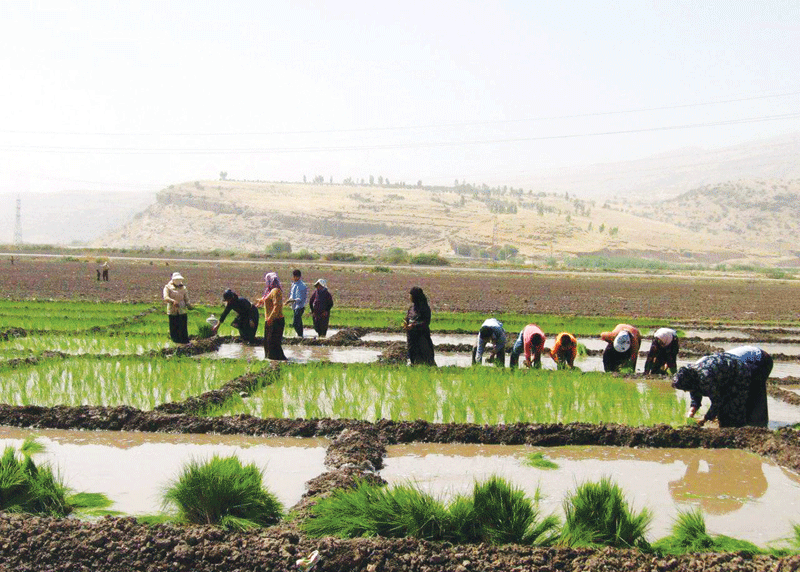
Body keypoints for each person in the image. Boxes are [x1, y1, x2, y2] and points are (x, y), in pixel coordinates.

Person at [672, 351, 765, 428]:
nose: (685, 391)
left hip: (739, 374)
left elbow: (717, 401)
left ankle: (745, 426)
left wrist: (705, 419)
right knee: (723, 414)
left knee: (734, 409)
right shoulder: (691, 374)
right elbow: (694, 392)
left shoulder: (705, 377)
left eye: (684, 389)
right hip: (723, 376)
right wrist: (691, 411)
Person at [727, 345, 771, 427]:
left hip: (761, 361)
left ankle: (759, 424)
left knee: (755, 393)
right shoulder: (719, 366)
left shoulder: (724, 366)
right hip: (750, 361)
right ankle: (747, 420)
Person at [255, 272, 287, 360]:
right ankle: (271, 361)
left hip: (275, 320)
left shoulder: (276, 291)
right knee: (268, 343)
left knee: (273, 344)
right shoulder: (271, 291)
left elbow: (277, 306)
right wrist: (261, 301)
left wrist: (270, 318)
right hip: (270, 320)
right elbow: (268, 298)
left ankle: (278, 362)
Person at [403, 286, 436, 366]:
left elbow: (426, 322)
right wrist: (406, 323)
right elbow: (408, 318)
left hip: (422, 338)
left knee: (425, 359)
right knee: (413, 357)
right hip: (411, 338)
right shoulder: (411, 308)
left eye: (411, 295)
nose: (409, 297)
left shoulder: (425, 308)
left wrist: (413, 325)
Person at [162, 272, 193, 344]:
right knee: (174, 326)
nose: (178, 281)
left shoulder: (183, 288)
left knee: (183, 327)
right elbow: (166, 297)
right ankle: (175, 342)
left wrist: (188, 305)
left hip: (182, 309)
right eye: (177, 280)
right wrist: (173, 301)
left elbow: (186, 298)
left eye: (179, 280)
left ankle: (185, 342)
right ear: (173, 280)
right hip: (172, 310)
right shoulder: (168, 287)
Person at [284, 269, 308, 337]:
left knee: (296, 322)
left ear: (298, 277)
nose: (293, 278)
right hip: (295, 306)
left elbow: (299, 298)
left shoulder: (301, 286)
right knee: (298, 322)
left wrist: (291, 301)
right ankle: (300, 336)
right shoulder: (294, 284)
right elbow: (292, 295)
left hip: (299, 306)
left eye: (294, 276)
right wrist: (290, 300)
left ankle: (300, 335)